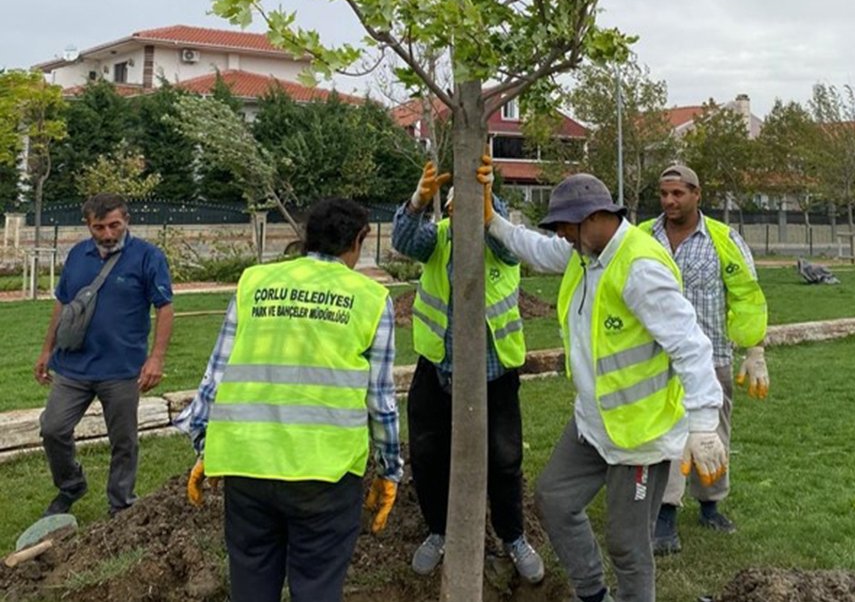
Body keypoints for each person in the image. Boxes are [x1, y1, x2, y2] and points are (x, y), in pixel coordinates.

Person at [484, 168, 728, 602]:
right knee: (554, 498)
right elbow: (538, 251)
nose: (561, 235)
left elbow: (690, 346)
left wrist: (704, 424)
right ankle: (593, 596)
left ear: (595, 216)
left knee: (628, 545)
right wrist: (493, 222)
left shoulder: (640, 268)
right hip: (593, 423)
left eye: (566, 226)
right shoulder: (584, 253)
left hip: (640, 435)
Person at [174, 198, 403, 602]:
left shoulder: (254, 283)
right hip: (325, 474)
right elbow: (380, 400)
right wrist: (389, 470)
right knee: (316, 587)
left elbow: (218, 372)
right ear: (358, 240)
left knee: (251, 586)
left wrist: (204, 443)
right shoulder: (369, 298)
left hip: (248, 465)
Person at [392, 159, 544, 583]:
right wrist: (420, 199)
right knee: (427, 454)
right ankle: (439, 532)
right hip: (437, 370)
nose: (461, 214)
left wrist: (489, 205)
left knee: (504, 458)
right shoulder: (438, 240)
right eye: (456, 207)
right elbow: (405, 240)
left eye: (472, 207)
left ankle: (513, 537)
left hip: (494, 375)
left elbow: (511, 247)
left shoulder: (500, 243)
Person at [639, 164, 769, 555]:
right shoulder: (643, 237)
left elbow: (746, 294)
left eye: (677, 193)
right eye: (663, 194)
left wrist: (755, 349)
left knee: (714, 433)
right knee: (668, 435)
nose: (669, 201)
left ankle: (711, 504)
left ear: (697, 194)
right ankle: (665, 513)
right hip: (657, 359)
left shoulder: (723, 239)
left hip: (711, 357)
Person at [34, 193, 174, 518]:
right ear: (88, 225)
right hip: (74, 366)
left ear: (127, 220)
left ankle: (121, 504)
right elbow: (63, 303)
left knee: (123, 441)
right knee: (53, 428)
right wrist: (46, 350)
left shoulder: (147, 256)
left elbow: (164, 307)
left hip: (122, 368)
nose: (108, 234)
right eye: (99, 227)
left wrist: (156, 358)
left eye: (115, 225)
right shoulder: (77, 255)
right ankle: (71, 484)